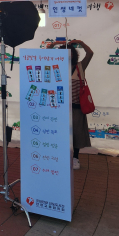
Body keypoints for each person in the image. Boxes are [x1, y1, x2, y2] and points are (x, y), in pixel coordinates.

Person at [49, 40, 93, 170]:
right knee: (61, 133)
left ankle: (75, 158)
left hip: (77, 107)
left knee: (77, 133)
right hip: (60, 107)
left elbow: (90, 53)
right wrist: (53, 44)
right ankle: (62, 156)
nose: (67, 55)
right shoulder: (56, 66)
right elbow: (46, 54)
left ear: (74, 54)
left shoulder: (80, 66)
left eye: (70, 52)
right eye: (64, 53)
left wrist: (80, 42)